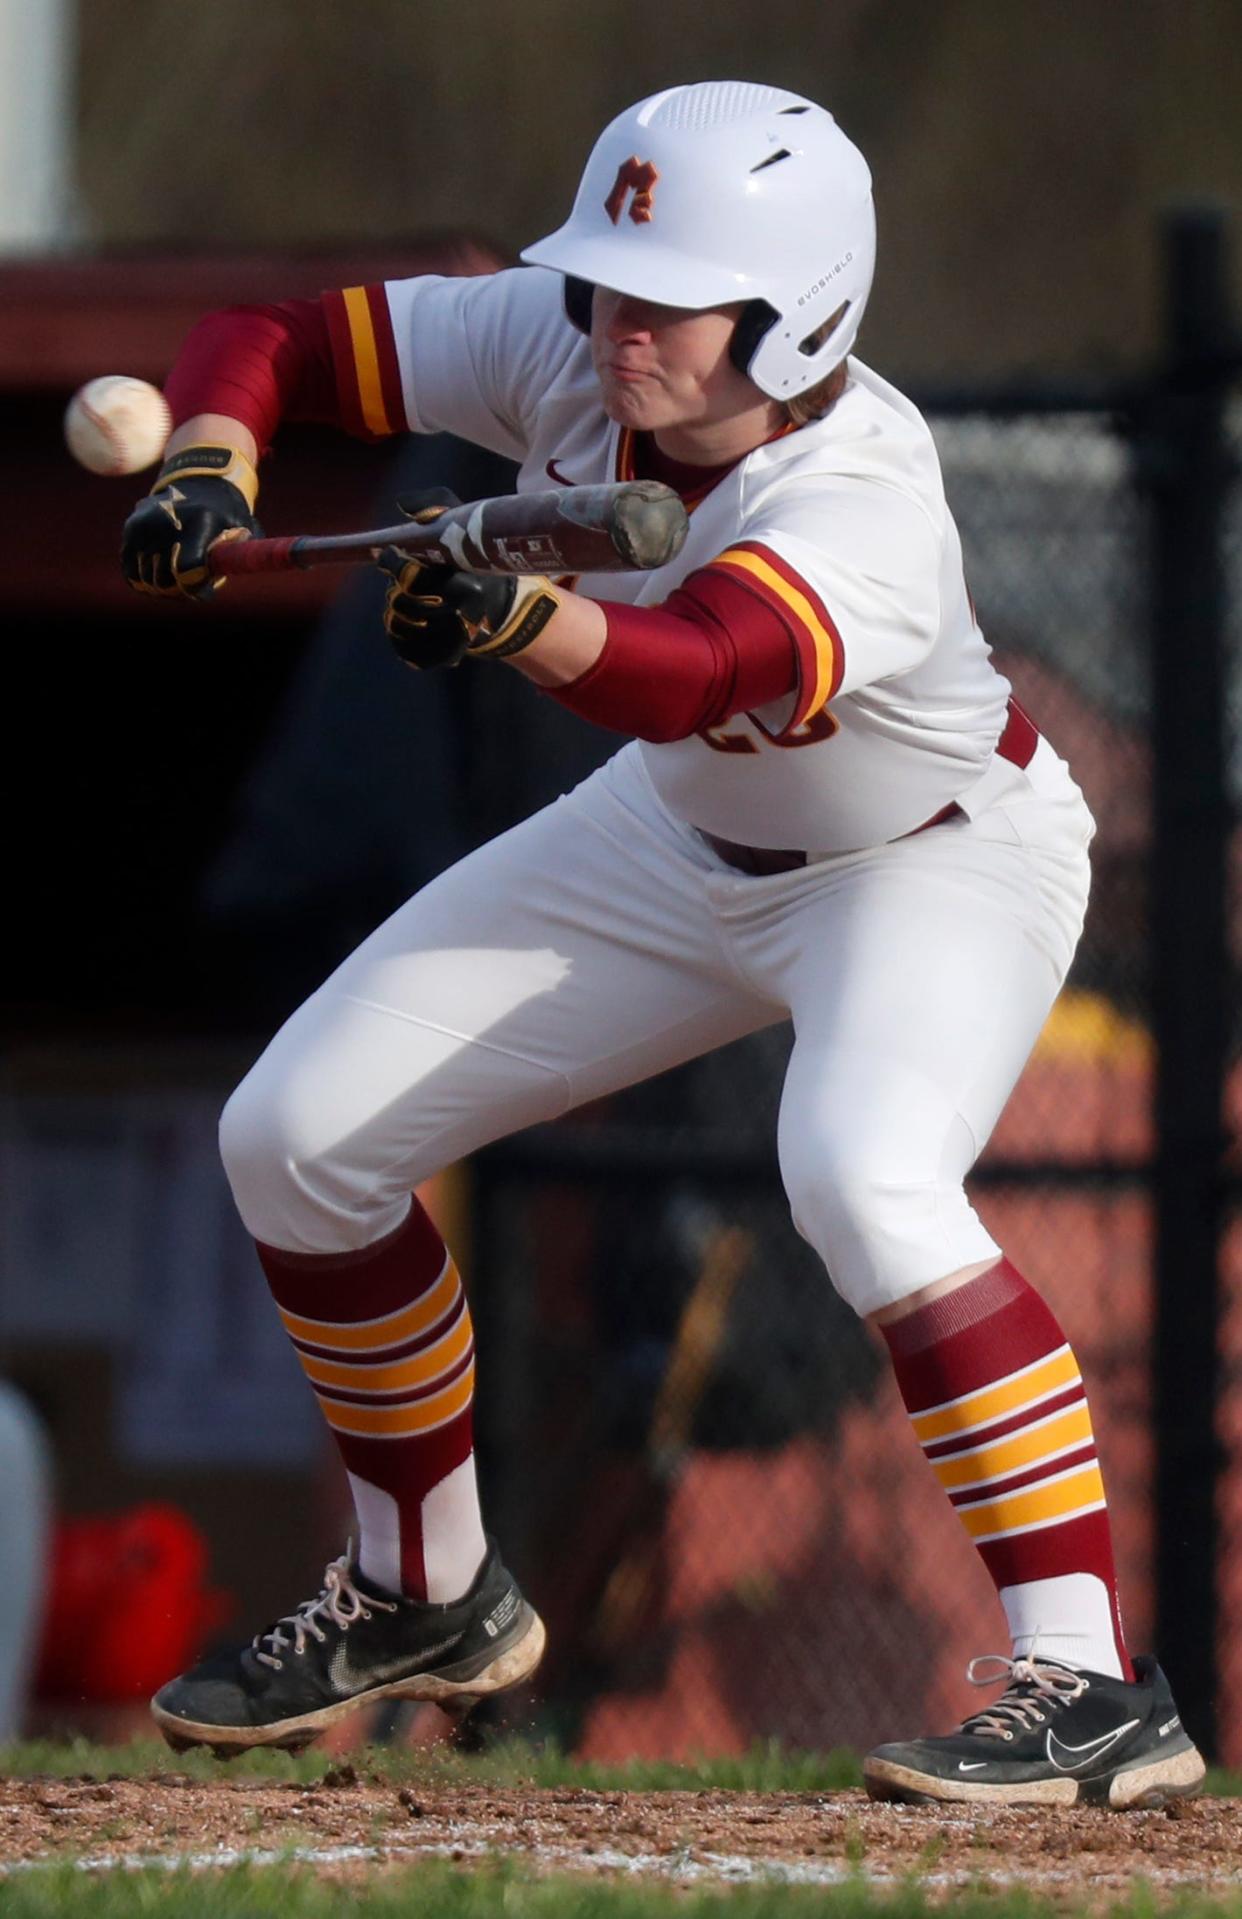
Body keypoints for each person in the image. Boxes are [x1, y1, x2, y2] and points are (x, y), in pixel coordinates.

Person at [121, 81, 1202, 1808]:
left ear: (803, 318)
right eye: (608, 282)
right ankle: (424, 1591)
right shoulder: (572, 344)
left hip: (925, 865)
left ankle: (1087, 1680)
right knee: (295, 1140)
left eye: (671, 293)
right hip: (669, 832)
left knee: (860, 1177)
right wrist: (209, 451)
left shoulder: (864, 498)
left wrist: (517, 617)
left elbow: (694, 669)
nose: (619, 323)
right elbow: (272, 335)